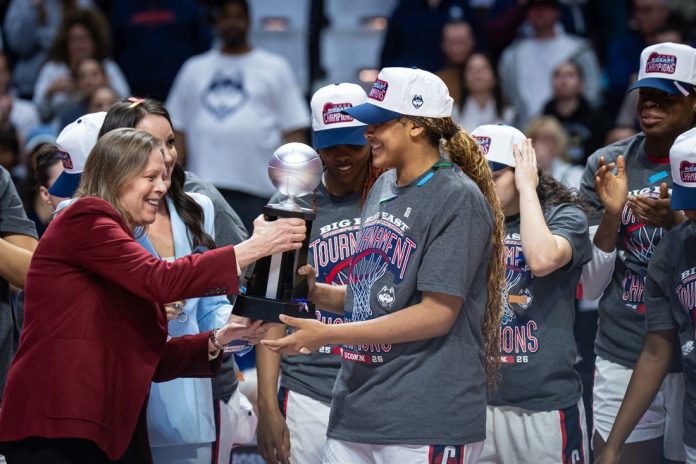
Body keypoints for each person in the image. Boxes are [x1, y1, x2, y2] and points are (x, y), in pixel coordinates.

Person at [0, 127, 306, 463]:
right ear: (117, 175)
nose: (162, 186)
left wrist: (218, 339)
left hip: (105, 430)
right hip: (59, 430)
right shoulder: (85, 218)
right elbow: (161, 279)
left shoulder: (118, 242)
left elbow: (148, 354)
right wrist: (251, 248)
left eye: (163, 176)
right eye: (150, 177)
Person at [263, 67, 506, 464]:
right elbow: (375, 297)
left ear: (415, 125)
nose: (368, 132)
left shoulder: (457, 197)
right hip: (356, 410)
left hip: (423, 417)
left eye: (379, 122)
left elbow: (437, 315)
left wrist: (329, 334)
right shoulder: (382, 186)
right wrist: (318, 294)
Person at [98, 99, 251, 464]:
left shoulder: (199, 207)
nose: (165, 156)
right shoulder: (91, 216)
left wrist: (236, 331)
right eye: (151, 144)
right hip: (120, 398)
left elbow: (211, 305)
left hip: (189, 397)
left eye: (170, 142)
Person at [579, 41, 695, 464]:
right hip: (624, 347)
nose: (650, 105)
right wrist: (613, 214)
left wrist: (679, 223)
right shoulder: (607, 164)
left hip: (689, 354)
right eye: (644, 95)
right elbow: (590, 286)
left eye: (665, 97)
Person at [256, 83, 380, 464]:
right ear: (315, 145)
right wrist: (267, 406)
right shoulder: (291, 204)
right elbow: (271, 311)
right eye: (331, 145)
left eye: (352, 144)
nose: (342, 156)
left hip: (379, 388)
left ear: (370, 137)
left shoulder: (394, 196)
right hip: (307, 389)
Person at [470, 124, 592, 463]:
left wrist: (527, 188)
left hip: (544, 405)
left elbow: (541, 260)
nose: (482, 185)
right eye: (475, 176)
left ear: (523, 169)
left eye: (493, 176)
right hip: (477, 402)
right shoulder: (469, 219)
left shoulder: (564, 215)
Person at [593, 127, 696, 463]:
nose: (691, 214)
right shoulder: (672, 250)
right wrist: (613, 447)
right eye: (687, 204)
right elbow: (655, 350)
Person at [165, 0, 310, 233]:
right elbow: (177, 130)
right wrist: (175, 182)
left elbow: (293, 131)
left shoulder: (275, 67)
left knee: (259, 252)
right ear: (216, 22)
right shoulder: (194, 68)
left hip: (259, 187)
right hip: (202, 187)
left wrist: (291, 190)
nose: (232, 23)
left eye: (238, 17)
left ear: (249, 21)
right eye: (226, 17)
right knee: (206, 252)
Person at [498, 0, 602, 128]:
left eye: (546, 5)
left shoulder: (580, 50)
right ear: (526, 13)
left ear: (558, 11)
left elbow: (592, 92)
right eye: (533, 7)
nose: (540, 11)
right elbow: (509, 98)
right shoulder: (512, 55)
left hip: (572, 129)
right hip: (526, 129)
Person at [33, 8, 129, 120]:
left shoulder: (108, 67)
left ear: (94, 42)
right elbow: (38, 112)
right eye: (73, 40)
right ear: (66, 43)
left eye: (84, 39)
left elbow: (127, 103)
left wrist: (105, 85)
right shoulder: (53, 69)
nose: (79, 45)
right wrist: (50, 91)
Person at [542, 60, 613, 166]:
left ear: (581, 83)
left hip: (589, 172)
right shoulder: (544, 117)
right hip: (551, 172)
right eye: (558, 75)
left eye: (570, 75)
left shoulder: (598, 119)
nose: (563, 80)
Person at [451, 53, 515, 133]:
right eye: (471, 69)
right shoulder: (452, 115)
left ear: (495, 76)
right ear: (464, 79)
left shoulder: (510, 115)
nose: (477, 73)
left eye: (484, 68)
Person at [526, 115, 584, 189]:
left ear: (557, 144)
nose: (538, 145)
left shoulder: (575, 174)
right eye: (534, 139)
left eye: (545, 140)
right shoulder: (522, 173)